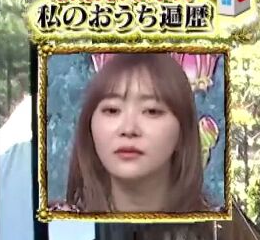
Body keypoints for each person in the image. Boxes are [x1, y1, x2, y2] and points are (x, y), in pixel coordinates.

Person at [59, 53, 215, 214]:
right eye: (112, 110)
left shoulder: (219, 225)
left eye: (151, 111)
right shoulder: (57, 221)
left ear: (182, 132)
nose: (129, 129)